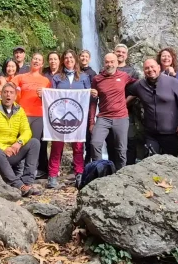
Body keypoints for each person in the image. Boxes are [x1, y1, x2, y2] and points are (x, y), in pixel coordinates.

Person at [0, 82, 41, 197]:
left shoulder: (19, 111)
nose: (8, 95)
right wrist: (3, 148)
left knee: (34, 143)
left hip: (11, 152)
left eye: (11, 93)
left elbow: (27, 131)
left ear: (15, 96)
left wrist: (19, 143)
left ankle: (27, 182)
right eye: (5, 92)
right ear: (1, 95)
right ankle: (18, 185)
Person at [47, 50, 97, 188]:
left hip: (78, 118)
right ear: (63, 61)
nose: (69, 60)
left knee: (78, 148)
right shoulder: (57, 78)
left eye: (71, 57)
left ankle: (79, 174)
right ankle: (52, 176)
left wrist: (92, 93)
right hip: (59, 118)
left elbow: (90, 99)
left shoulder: (84, 77)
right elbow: (51, 98)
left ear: (75, 60)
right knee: (57, 147)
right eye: (66, 58)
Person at [127, 59, 178, 156]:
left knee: (170, 163)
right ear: (144, 71)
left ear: (159, 67)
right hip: (151, 133)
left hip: (171, 132)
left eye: (152, 67)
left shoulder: (172, 82)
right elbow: (124, 91)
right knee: (150, 160)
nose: (150, 70)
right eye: (147, 68)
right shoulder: (140, 85)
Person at [89, 53, 138, 171]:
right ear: (104, 63)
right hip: (103, 117)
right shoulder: (97, 79)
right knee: (95, 143)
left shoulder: (124, 76)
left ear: (117, 63)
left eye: (112, 62)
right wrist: (91, 121)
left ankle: (121, 173)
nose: (109, 64)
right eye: (107, 62)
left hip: (121, 117)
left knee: (121, 149)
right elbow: (93, 102)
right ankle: (98, 171)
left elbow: (139, 84)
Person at [13, 53, 52, 177]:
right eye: (35, 59)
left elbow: (51, 99)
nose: (36, 61)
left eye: (39, 60)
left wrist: (44, 95)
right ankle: (18, 169)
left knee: (34, 143)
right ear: (31, 61)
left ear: (42, 64)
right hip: (22, 114)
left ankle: (31, 170)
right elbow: (7, 88)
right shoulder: (21, 77)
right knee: (21, 140)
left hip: (39, 115)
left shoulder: (46, 81)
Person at [114, 43, 142, 165]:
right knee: (112, 141)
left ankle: (129, 166)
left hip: (127, 111)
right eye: (118, 52)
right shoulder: (106, 69)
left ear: (126, 55)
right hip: (109, 113)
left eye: (123, 52)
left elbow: (137, 90)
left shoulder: (132, 72)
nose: (120, 54)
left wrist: (124, 103)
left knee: (129, 139)